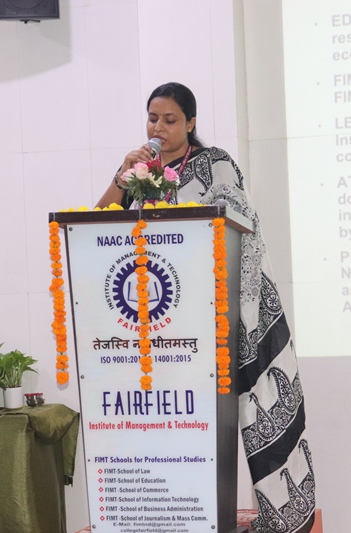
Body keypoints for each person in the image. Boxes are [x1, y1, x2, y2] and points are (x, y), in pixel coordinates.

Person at [96, 82, 316, 533]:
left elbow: (238, 230)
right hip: (158, 323)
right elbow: (97, 221)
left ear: (191, 123)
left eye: (170, 120)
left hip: (216, 315)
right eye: (152, 118)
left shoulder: (215, 163)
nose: (159, 128)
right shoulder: (140, 171)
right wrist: (122, 176)